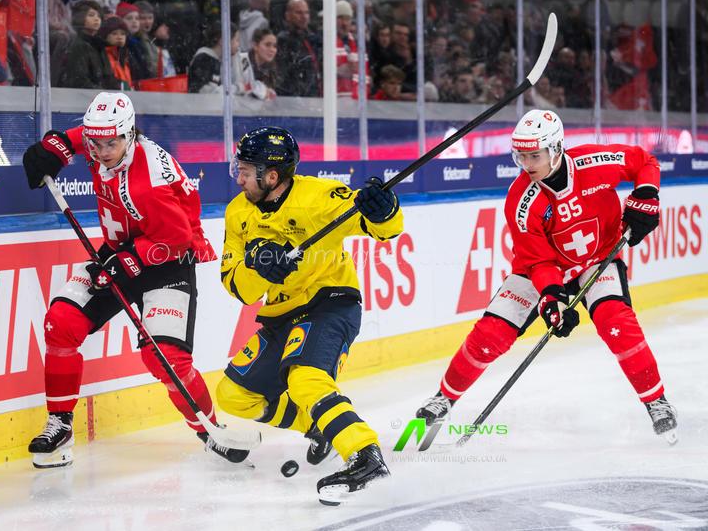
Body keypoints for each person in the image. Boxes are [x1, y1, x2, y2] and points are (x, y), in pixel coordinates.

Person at [415, 109, 678, 444]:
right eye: (520, 156)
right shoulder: (521, 200)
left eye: (534, 155)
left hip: (596, 259)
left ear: (556, 148)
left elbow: (644, 161)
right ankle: (444, 399)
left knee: (617, 324)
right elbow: (537, 261)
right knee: (490, 334)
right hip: (541, 268)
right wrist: (551, 298)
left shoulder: (595, 161)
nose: (527, 163)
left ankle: (656, 401)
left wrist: (646, 195)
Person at [21, 92, 246, 468]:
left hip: (169, 261)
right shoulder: (101, 141)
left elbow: (177, 239)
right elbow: (81, 137)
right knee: (61, 323)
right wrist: (53, 147)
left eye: (112, 142)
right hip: (121, 253)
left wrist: (127, 261)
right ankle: (60, 424)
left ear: (131, 135)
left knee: (167, 360)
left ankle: (209, 430)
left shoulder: (150, 182)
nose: (103, 150)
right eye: (97, 143)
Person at [215, 127, 403, 504]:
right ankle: (320, 428)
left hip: (329, 302)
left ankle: (364, 454)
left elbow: (383, 230)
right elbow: (238, 288)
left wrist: (384, 209)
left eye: (246, 170)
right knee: (233, 394)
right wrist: (260, 268)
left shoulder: (318, 196)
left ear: (271, 176)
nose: (239, 177)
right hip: (281, 315)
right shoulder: (238, 213)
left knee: (306, 379)